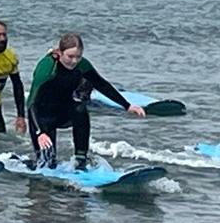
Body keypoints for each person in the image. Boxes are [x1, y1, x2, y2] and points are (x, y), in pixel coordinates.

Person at [25, 33, 145, 170]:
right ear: (60, 53)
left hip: (63, 112)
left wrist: (127, 105)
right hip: (41, 117)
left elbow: (101, 84)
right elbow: (31, 102)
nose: (74, 61)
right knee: (47, 164)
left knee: (80, 109)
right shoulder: (47, 67)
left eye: (78, 56)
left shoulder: (82, 65)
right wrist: (39, 132)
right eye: (70, 57)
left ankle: (80, 160)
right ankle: (31, 165)